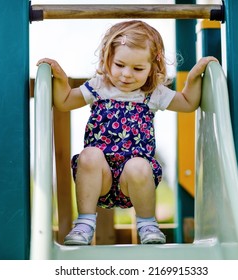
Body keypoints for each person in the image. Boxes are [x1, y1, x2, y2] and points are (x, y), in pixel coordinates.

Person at [37, 20, 218, 246]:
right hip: (98, 178)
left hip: (133, 182)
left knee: (139, 164)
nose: (126, 74)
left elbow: (188, 103)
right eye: (119, 64)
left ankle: (147, 225)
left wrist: (192, 78)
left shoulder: (152, 93)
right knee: (90, 154)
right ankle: (84, 223)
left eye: (138, 69)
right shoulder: (99, 87)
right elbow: (64, 102)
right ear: (107, 59)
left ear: (153, 66)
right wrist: (61, 79)